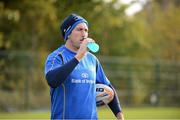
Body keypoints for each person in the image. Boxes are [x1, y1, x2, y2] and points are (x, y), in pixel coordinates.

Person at [44, 13, 124, 120]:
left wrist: (120, 116)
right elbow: (52, 80)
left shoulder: (92, 59)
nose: (84, 34)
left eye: (86, 30)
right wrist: (79, 56)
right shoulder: (57, 57)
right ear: (68, 33)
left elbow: (109, 88)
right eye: (79, 29)